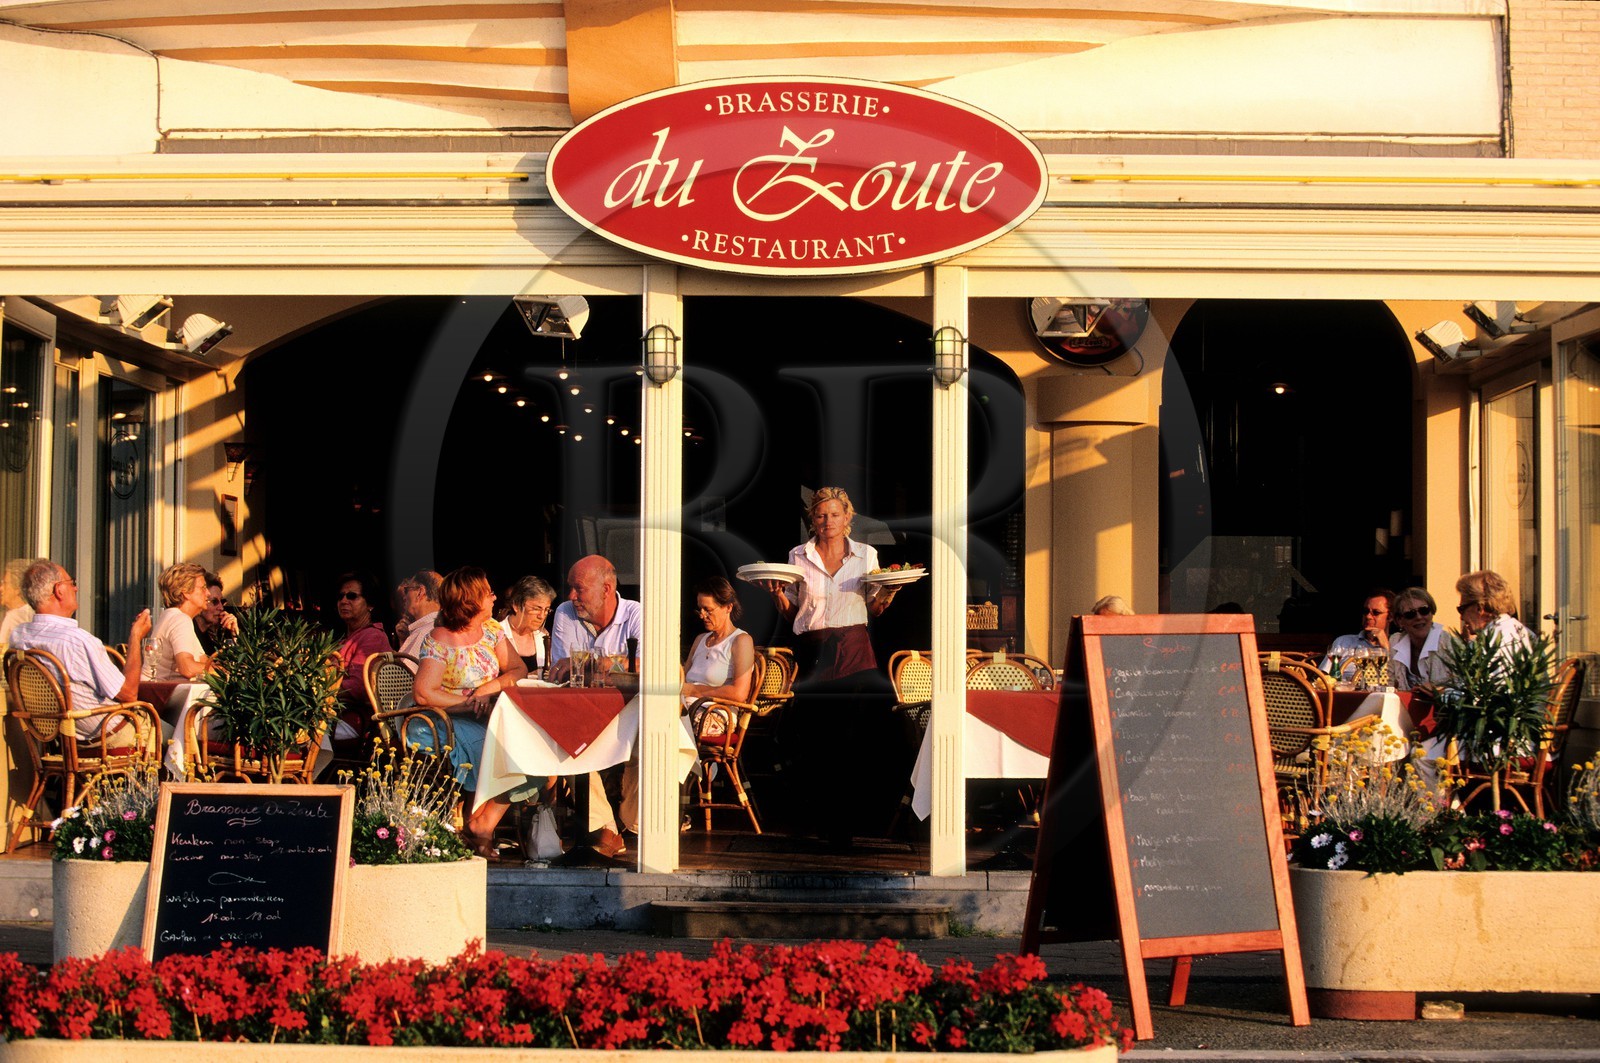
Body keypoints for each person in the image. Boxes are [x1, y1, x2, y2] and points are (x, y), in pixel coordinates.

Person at [758, 486, 909, 847]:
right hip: (812, 652)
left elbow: (874, 607)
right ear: (812, 519)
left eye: (835, 514)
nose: (828, 521)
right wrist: (777, 595)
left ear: (847, 518)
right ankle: (821, 821)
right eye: (821, 515)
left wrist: (889, 592)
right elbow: (794, 613)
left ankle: (845, 827)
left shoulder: (866, 555)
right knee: (814, 740)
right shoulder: (797, 556)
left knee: (850, 741)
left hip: (854, 652)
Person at [410, 566, 527, 858]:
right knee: (495, 746)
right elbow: (424, 693)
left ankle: (482, 823)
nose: (494, 598)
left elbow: (518, 669)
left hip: (484, 715)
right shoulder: (440, 638)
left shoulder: (492, 630)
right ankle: (479, 828)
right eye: (488, 593)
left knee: (528, 746)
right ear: (470, 600)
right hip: (444, 719)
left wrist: (487, 689)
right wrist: (468, 703)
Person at [549, 554, 644, 857]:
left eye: (578, 589)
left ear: (606, 589)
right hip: (585, 709)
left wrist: (599, 663)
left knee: (650, 738)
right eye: (570, 588)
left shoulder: (636, 614)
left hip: (630, 709)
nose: (571, 596)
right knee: (560, 737)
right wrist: (614, 664)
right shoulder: (565, 612)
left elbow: (647, 665)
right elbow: (563, 670)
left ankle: (632, 822)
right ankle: (604, 826)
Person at [7, 560, 155, 741]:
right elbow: (129, 694)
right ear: (59, 590)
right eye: (72, 583)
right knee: (182, 730)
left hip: (62, 739)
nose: (76, 589)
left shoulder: (19, 636)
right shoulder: (77, 641)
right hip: (109, 736)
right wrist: (135, 637)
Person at [683, 576, 756, 708]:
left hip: (713, 710)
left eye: (708, 610)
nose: (702, 615)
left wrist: (692, 690)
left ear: (728, 607)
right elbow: (682, 679)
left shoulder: (740, 641)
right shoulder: (700, 639)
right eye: (700, 609)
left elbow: (739, 693)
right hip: (685, 705)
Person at [333, 572, 391, 731]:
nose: (344, 601)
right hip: (336, 715)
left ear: (370, 604)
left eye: (352, 596)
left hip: (356, 721)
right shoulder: (345, 640)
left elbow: (358, 687)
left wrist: (318, 690)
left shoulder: (373, 636)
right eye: (341, 596)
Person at [148, 563, 218, 681]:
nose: (208, 593)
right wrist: (225, 671)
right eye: (203, 587)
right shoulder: (180, 620)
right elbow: (187, 668)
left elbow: (205, 662)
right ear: (186, 592)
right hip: (163, 691)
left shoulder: (174, 616)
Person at [1318, 588, 1395, 676]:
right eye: (1365, 611)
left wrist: (1386, 647)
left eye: (1376, 613)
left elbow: (1398, 679)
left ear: (1390, 617)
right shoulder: (1343, 642)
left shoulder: (1398, 644)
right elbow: (1322, 677)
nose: (1368, 616)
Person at [1455, 570, 1533, 652]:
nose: (1461, 617)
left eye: (1462, 609)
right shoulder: (1523, 632)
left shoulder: (1491, 641)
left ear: (1480, 608)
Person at [1389, 586, 1450, 692]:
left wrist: (1437, 690)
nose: (1419, 617)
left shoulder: (1448, 644)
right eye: (1410, 614)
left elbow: (1459, 687)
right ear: (1400, 621)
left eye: (1424, 610)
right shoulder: (1395, 642)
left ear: (1432, 613)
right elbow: (1387, 683)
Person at [503, 575, 557, 675]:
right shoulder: (496, 634)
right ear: (516, 605)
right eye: (536, 609)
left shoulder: (544, 638)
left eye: (546, 610)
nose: (542, 616)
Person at [395, 570, 442, 660]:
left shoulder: (425, 634)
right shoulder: (442, 626)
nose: (404, 597)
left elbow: (406, 667)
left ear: (420, 592)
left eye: (406, 590)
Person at [0, 557, 45, 650]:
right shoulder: (35, 612)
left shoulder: (13, 617)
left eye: (5, 583)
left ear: (18, 588)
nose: (1, 588)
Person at [195, 571, 239, 657]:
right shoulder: (188, 630)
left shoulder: (218, 633)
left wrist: (234, 634)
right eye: (214, 601)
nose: (221, 608)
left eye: (222, 601)